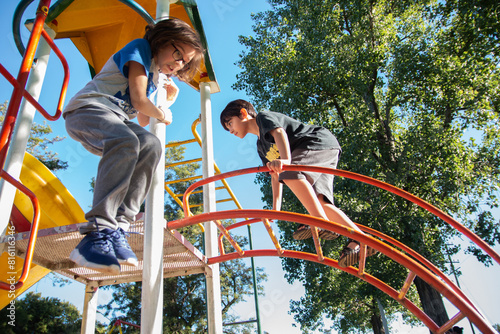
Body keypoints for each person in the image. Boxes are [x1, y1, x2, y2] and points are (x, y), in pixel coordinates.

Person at [64, 18, 204, 274]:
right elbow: (140, 103)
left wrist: (166, 103)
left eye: (184, 61)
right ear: (161, 40)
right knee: (128, 141)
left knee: (150, 145)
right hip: (88, 110)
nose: (178, 63)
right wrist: (162, 114)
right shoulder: (139, 48)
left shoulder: (153, 75)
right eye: (177, 53)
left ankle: (119, 225)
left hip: (113, 121)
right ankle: (97, 230)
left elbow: (143, 119)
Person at [220, 99, 377, 267]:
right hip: (324, 153)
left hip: (317, 142)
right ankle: (362, 241)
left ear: (243, 113)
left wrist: (286, 160)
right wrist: (275, 208)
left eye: (230, 123)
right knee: (321, 202)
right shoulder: (261, 147)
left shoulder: (263, 118)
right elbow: (275, 176)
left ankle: (321, 222)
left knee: (289, 171)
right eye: (227, 127)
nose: (230, 131)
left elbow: (279, 133)